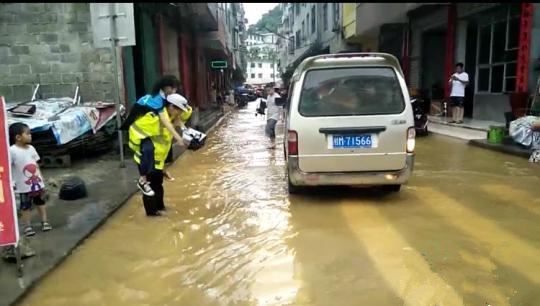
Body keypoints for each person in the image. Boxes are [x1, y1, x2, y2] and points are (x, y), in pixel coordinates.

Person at [121, 75, 189, 194]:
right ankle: (142, 181)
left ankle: (149, 180)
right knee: (148, 150)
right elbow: (166, 122)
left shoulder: (162, 98)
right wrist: (179, 138)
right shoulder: (158, 101)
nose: (174, 91)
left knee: (151, 158)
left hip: (146, 133)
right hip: (140, 133)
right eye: (173, 88)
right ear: (166, 87)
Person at [128, 94, 191, 216]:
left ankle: (160, 210)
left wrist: (161, 168)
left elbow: (187, 113)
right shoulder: (154, 119)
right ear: (171, 107)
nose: (180, 114)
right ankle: (152, 217)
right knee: (149, 189)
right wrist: (143, 156)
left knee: (158, 185)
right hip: (146, 159)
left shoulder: (170, 118)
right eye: (179, 110)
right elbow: (134, 132)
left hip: (157, 161)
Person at [8, 122, 52, 236]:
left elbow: (36, 164)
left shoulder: (31, 148)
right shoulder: (11, 151)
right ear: (18, 137)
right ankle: (27, 226)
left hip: (37, 183)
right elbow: (8, 167)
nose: (30, 135)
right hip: (23, 185)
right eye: (27, 134)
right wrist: (12, 182)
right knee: (25, 206)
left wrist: (41, 177)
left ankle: (45, 221)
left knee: (40, 202)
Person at [264, 83, 282, 149]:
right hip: (269, 115)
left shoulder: (277, 97)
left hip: (275, 115)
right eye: (267, 91)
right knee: (272, 130)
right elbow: (267, 105)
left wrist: (282, 117)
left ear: (273, 89)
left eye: (269, 90)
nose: (268, 92)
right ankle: (273, 143)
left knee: (268, 128)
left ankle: (272, 142)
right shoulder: (268, 96)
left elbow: (281, 107)